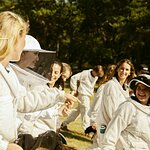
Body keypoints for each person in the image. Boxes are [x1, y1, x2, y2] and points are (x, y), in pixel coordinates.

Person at [0, 11, 78, 150]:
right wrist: (4, 146)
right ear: (13, 38)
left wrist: (59, 95)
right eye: (23, 37)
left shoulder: (8, 72)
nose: (24, 42)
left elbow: (23, 100)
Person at [101, 74, 150, 149]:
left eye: (145, 88)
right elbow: (113, 131)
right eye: (139, 87)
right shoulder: (128, 107)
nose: (141, 91)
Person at [96, 59, 136, 149]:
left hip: (117, 127)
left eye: (127, 70)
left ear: (130, 72)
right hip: (106, 126)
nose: (123, 71)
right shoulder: (111, 85)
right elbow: (112, 111)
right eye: (122, 68)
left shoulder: (125, 88)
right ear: (117, 69)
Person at [61, 65, 104, 131]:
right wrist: (74, 89)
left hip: (87, 95)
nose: (97, 76)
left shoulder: (96, 77)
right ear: (94, 71)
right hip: (83, 94)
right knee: (86, 111)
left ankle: (64, 124)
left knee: (77, 112)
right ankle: (86, 129)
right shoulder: (85, 73)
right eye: (97, 74)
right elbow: (74, 78)